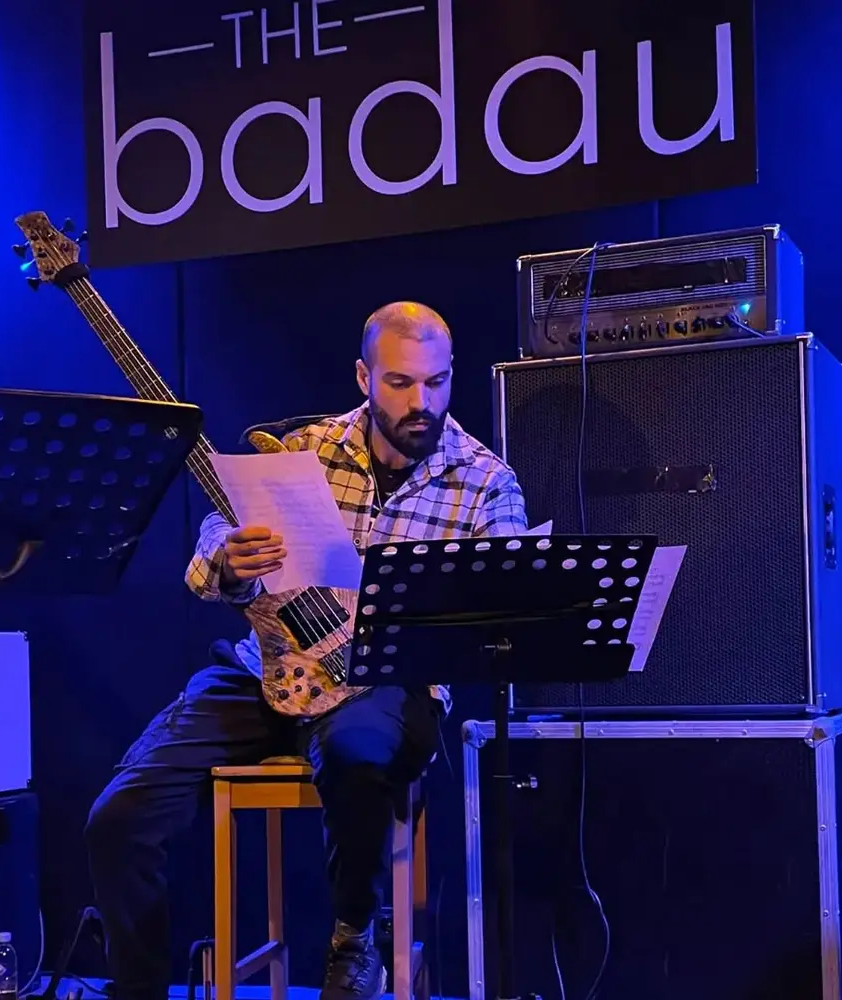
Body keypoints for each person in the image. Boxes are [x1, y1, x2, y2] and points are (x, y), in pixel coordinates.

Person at [84, 301, 529, 1000]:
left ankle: (355, 937)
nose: (422, 402)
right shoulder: (300, 450)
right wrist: (231, 562)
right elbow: (210, 555)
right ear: (364, 377)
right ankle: (137, 987)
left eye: (437, 382)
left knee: (356, 753)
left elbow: (506, 592)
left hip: (383, 677)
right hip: (265, 667)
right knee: (119, 816)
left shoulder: (485, 482)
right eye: (400, 383)